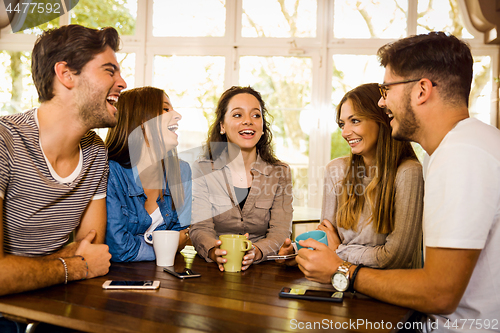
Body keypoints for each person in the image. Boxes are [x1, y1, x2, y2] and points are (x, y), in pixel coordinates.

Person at [296, 32, 500, 332]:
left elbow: (439, 293)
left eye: (386, 88)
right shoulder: (464, 146)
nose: (382, 101)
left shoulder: (461, 156)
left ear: (421, 90)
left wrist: (341, 269)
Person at [0, 25, 127, 296]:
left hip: (53, 300)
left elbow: (91, 249)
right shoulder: (4, 140)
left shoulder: (95, 152)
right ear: (66, 74)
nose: (122, 82)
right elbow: (85, 263)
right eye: (109, 70)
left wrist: (19, 271)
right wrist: (74, 266)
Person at [279, 83, 423, 269]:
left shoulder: (408, 172)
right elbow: (325, 242)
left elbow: (394, 257)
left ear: (381, 119)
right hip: (339, 284)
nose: (345, 133)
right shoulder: (336, 170)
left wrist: (339, 250)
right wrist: (298, 254)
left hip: (387, 290)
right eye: (342, 124)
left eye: (355, 121)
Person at [189, 86, 293, 271]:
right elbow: (200, 228)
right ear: (222, 125)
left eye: (256, 115)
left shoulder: (281, 172)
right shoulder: (203, 169)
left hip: (264, 271)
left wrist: (258, 251)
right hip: (213, 270)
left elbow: (280, 231)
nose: (248, 121)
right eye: (238, 115)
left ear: (262, 126)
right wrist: (214, 251)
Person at [105, 87, 191, 262]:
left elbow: (184, 231)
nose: (177, 115)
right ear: (143, 121)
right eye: (166, 109)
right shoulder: (109, 172)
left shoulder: (182, 171)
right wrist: (168, 246)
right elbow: (117, 247)